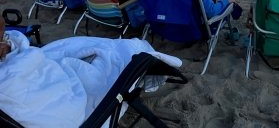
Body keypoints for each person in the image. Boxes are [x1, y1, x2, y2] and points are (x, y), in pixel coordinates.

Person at [0, 15, 181, 127]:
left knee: (90, 50)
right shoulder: (8, 82)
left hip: (44, 78)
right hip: (76, 111)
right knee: (128, 52)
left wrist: (11, 47)